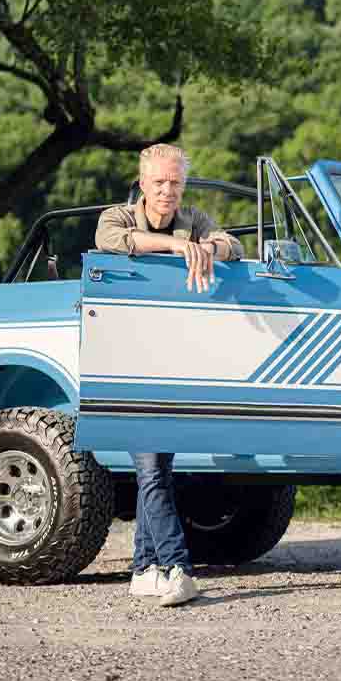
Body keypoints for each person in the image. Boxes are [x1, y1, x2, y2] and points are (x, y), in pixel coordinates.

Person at [94, 143, 244, 607]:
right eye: (159, 182)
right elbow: (112, 241)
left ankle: (144, 570)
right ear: (142, 183)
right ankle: (179, 567)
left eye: (175, 182)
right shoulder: (117, 216)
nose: (167, 190)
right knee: (153, 470)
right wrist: (176, 246)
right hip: (128, 364)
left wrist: (205, 247)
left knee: (156, 469)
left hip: (173, 363)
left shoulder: (194, 219)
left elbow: (234, 245)